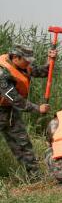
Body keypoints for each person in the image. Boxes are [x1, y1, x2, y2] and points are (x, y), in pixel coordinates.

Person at [0, 44, 51, 178]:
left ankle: (35, 177)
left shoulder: (23, 65)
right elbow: (14, 99)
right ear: (16, 57)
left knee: (23, 143)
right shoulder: (2, 73)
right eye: (26, 60)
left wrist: (50, 60)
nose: (29, 63)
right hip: (7, 106)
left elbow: (43, 71)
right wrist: (37, 108)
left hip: (9, 112)